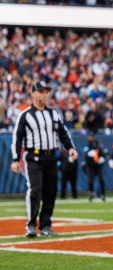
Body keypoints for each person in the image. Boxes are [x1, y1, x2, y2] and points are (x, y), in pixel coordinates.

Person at [10, 80, 78, 237]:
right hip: (33, 157)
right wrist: (15, 159)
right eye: (41, 91)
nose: (44, 95)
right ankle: (31, 225)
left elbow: (63, 132)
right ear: (33, 94)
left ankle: (46, 225)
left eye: (46, 91)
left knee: (51, 191)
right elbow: (17, 138)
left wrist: (71, 148)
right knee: (35, 189)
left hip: (51, 157)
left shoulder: (53, 113)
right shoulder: (25, 115)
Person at [83, 133, 107, 202]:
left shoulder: (97, 145)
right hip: (90, 166)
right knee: (90, 180)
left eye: (92, 136)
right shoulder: (87, 146)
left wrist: (101, 158)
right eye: (90, 136)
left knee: (101, 179)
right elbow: (86, 155)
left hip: (98, 166)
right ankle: (91, 193)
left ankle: (103, 194)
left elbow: (101, 153)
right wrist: (92, 155)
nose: (91, 138)